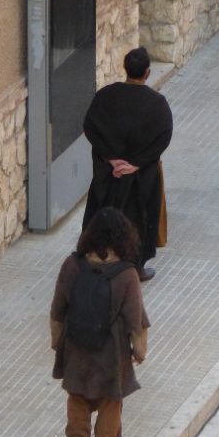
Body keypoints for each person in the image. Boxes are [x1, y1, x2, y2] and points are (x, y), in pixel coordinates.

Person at [51, 207, 150, 437]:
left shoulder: (72, 264)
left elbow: (58, 309)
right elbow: (136, 320)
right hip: (111, 350)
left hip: (76, 344)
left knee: (77, 394)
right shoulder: (127, 274)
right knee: (110, 401)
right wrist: (139, 352)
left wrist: (57, 344)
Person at [82, 47, 173, 282]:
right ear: (147, 73)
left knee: (103, 215)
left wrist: (110, 159)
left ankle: (99, 258)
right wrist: (137, 164)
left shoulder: (105, 97)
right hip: (140, 179)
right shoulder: (157, 104)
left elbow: (91, 126)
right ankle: (136, 267)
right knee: (138, 220)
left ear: (126, 68)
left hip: (110, 175)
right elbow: (163, 137)